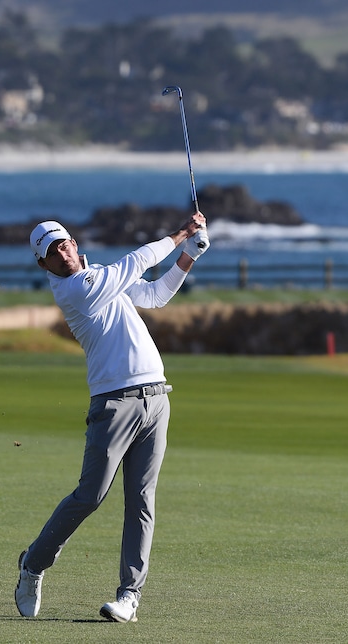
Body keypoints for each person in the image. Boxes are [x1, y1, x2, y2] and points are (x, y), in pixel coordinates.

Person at [14, 212, 209, 622]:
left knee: (142, 501)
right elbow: (136, 262)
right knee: (91, 496)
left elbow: (155, 295)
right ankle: (33, 563)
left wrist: (189, 256)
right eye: (52, 252)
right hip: (113, 403)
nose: (63, 253)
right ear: (43, 265)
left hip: (156, 397)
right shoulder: (74, 290)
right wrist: (182, 234)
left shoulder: (101, 274)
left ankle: (129, 596)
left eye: (64, 243)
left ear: (73, 242)